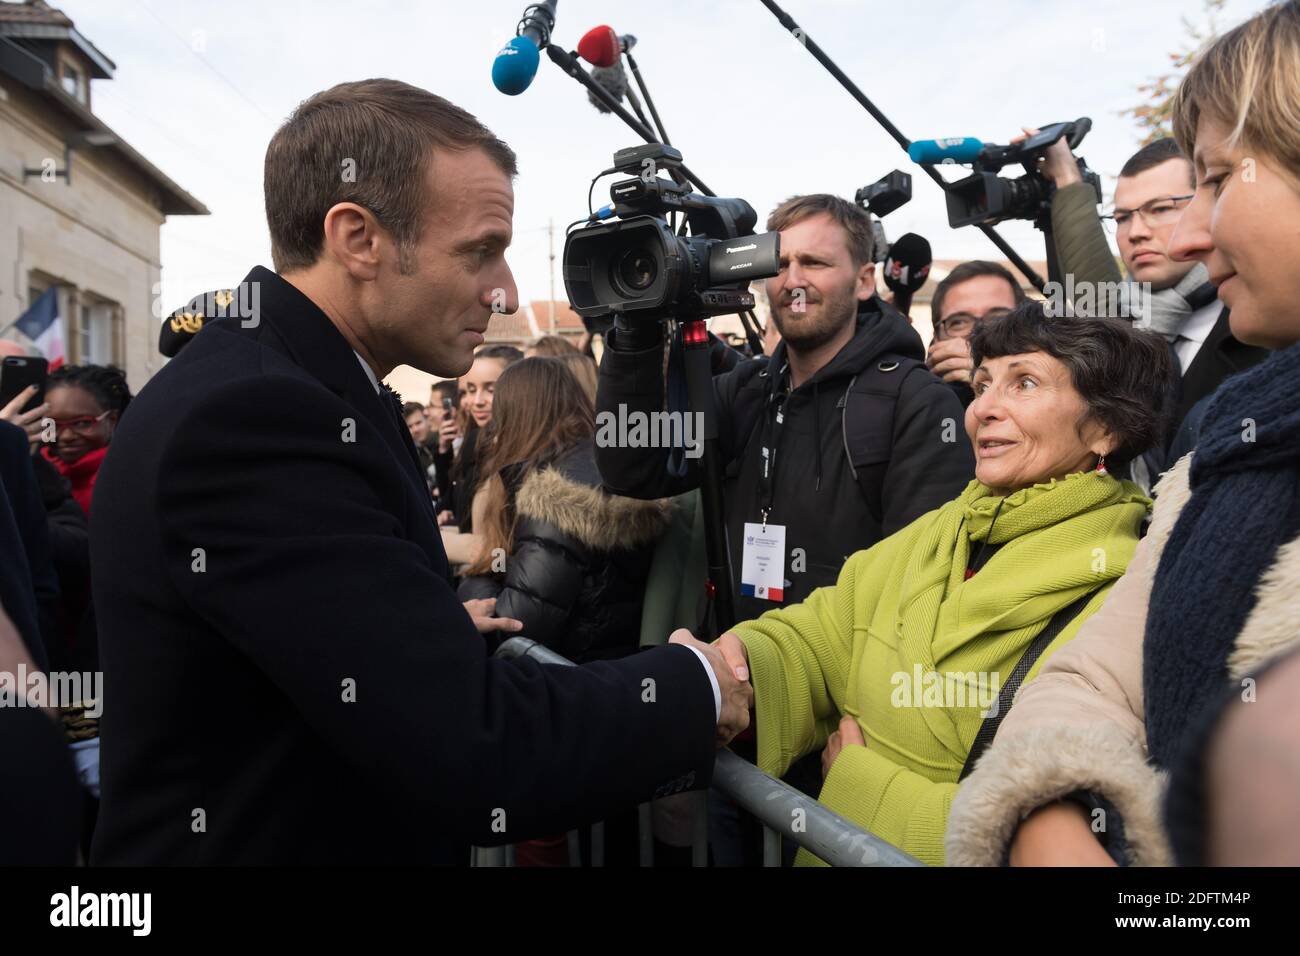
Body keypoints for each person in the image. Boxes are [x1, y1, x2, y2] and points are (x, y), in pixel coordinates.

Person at [88, 79, 751, 866]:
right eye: (480, 250)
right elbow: (471, 747)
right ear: (359, 238)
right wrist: (693, 685)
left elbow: (313, 644)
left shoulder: (293, 382)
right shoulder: (256, 417)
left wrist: (418, 632)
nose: (504, 291)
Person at [946, 0, 1300, 867]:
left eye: (1216, 180)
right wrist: (1049, 813)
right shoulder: (1224, 441)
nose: (1182, 234)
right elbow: (1100, 673)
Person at [700, 304, 1172, 865]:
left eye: (1023, 383)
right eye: (981, 385)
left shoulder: (1129, 584)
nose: (984, 410)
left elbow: (1054, 836)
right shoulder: (940, 527)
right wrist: (729, 666)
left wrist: (860, 787)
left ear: (1105, 427)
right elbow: (823, 635)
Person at [597, 193, 975, 624]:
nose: (794, 280)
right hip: (736, 672)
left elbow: (916, 594)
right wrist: (634, 331)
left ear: (865, 280)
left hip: (839, 684)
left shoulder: (918, 404)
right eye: (779, 265)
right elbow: (632, 466)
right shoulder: (744, 390)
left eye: (815, 263)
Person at [1035, 131, 1269, 490]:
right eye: (1123, 217)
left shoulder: (1270, 328)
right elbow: (1098, 295)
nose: (1136, 232)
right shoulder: (1118, 326)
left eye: (1160, 209)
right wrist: (1067, 177)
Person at [458, 357, 673, 662]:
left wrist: (473, 582)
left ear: (514, 416)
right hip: (619, 668)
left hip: (572, 679)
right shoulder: (606, 468)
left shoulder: (555, 501)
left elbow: (514, 629)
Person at [435, 344, 521, 532]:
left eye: (491, 389)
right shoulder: (474, 441)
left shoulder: (523, 450)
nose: (477, 401)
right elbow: (454, 501)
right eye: (471, 390)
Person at [924, 261, 1028, 407]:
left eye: (998, 319)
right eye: (959, 322)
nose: (978, 333)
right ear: (936, 338)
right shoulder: (913, 396)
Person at [41, 364, 131, 518]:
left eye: (82, 423)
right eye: (51, 425)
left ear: (112, 419)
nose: (66, 436)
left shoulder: (128, 478)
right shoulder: (30, 470)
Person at [402, 401, 437, 492]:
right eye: (410, 426)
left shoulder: (444, 441)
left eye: (418, 423)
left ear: (427, 419)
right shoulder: (411, 454)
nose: (415, 429)